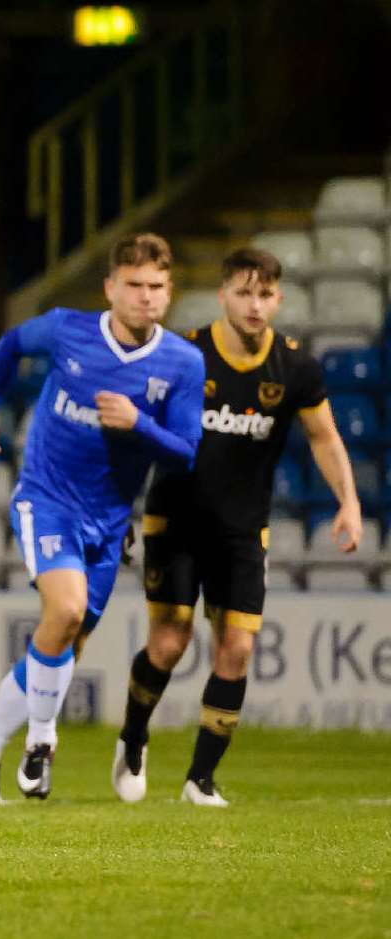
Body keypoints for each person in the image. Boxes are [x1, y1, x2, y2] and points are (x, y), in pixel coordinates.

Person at [0, 233, 205, 802]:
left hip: (110, 522)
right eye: (134, 285)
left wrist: (138, 423)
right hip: (47, 498)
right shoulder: (68, 328)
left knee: (66, 639)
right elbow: (12, 345)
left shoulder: (182, 362)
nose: (145, 297)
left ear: (169, 293)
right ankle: (42, 737)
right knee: (63, 610)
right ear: (111, 287)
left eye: (157, 287)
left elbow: (187, 453)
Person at [113, 247, 361, 806]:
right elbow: (135, 431)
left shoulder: (296, 368)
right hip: (174, 519)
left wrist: (347, 501)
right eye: (244, 293)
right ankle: (133, 738)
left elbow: (324, 437)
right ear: (222, 294)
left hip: (243, 530)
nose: (255, 305)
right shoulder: (183, 355)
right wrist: (117, 506)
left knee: (238, 650)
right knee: (170, 641)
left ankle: (200, 779)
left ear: (280, 299)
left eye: (266, 294)